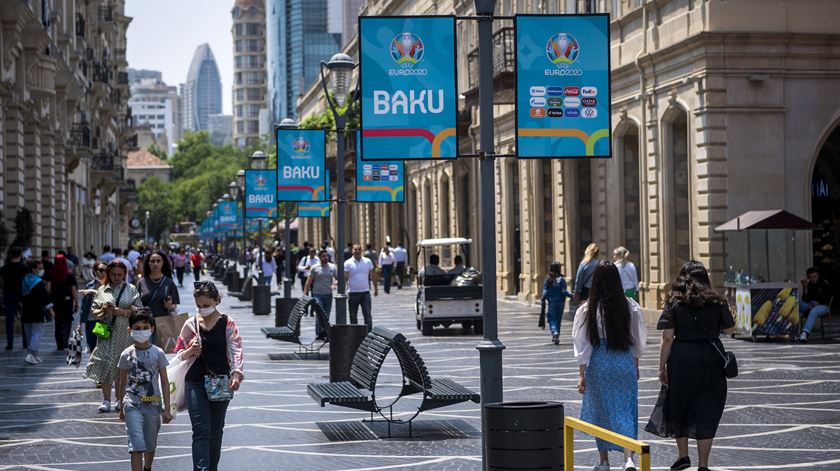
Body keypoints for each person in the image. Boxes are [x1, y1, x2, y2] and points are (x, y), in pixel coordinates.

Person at [657, 260, 736, 471]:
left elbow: (667, 338)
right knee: (708, 409)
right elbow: (730, 329)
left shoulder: (674, 301)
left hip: (682, 358)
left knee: (679, 406)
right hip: (711, 358)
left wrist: (661, 367)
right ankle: (703, 464)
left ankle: (683, 456)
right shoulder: (717, 301)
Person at [573, 261, 647, 471]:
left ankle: (604, 460)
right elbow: (638, 341)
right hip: (623, 359)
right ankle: (628, 459)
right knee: (625, 409)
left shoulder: (588, 309)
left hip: (599, 361)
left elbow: (583, 344)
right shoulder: (630, 305)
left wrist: (581, 374)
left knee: (601, 410)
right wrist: (636, 364)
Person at [174, 281, 244, 471]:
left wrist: (236, 374)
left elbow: (236, 348)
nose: (202, 309)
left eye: (206, 305)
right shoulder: (191, 323)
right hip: (194, 381)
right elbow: (178, 352)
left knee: (215, 431)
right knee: (200, 431)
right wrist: (190, 351)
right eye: (199, 306)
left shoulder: (227, 323)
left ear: (216, 301)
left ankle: (212, 468)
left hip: (221, 381)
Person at [117, 310, 172, 471]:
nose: (141, 331)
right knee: (136, 445)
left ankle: (147, 467)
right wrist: (121, 406)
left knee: (150, 444)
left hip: (153, 404)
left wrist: (167, 409)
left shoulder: (158, 353)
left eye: (145, 327)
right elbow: (121, 382)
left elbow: (165, 382)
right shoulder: (126, 354)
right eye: (137, 327)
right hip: (132, 404)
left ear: (152, 329)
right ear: (130, 330)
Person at [85, 260, 143, 413]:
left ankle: (119, 398)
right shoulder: (102, 289)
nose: (116, 277)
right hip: (106, 331)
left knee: (120, 365)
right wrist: (104, 310)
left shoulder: (130, 289)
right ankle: (105, 400)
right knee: (105, 362)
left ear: (124, 274)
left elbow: (140, 310)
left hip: (124, 332)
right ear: (108, 274)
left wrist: (123, 311)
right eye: (113, 274)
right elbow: (93, 311)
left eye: (119, 274)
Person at [21, 259, 55, 364]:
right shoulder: (38, 282)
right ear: (34, 269)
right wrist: (51, 310)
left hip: (26, 310)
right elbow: (44, 297)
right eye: (39, 269)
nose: (41, 271)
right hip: (37, 311)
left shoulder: (23, 280)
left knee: (28, 334)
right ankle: (31, 354)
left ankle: (34, 355)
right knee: (36, 333)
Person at [304, 250, 337, 340]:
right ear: (319, 257)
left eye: (326, 256)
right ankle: (320, 332)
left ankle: (325, 331)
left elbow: (337, 279)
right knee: (320, 313)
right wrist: (306, 292)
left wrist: (335, 284)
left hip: (328, 294)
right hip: (317, 294)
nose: (325, 258)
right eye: (323, 256)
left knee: (326, 314)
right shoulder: (315, 268)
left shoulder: (332, 267)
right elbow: (309, 281)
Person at [344, 244, 378, 330]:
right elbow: (345, 277)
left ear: (362, 250)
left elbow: (373, 275)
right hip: (352, 293)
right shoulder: (347, 263)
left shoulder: (367, 261)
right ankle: (354, 333)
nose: (357, 251)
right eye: (355, 250)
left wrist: (375, 288)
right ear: (352, 251)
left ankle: (369, 333)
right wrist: (343, 290)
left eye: (359, 249)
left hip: (365, 292)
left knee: (367, 314)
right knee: (353, 315)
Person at [137, 251, 180, 318]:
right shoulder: (141, 282)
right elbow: (135, 304)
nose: (155, 264)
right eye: (152, 261)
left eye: (158, 261)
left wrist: (170, 306)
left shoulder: (169, 283)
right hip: (145, 323)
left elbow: (175, 305)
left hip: (163, 323)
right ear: (148, 263)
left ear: (163, 263)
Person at [50, 254, 79, 351]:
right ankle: (65, 340)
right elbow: (73, 290)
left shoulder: (52, 275)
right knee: (67, 321)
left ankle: (59, 344)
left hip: (56, 302)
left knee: (57, 322)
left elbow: (48, 289)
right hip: (67, 302)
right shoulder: (69, 276)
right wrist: (76, 302)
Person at [2, 247, 29, 350]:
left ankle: (10, 344)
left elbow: (1, 282)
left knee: (9, 320)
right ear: (20, 255)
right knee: (24, 319)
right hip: (22, 295)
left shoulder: (5, 267)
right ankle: (25, 342)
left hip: (8, 295)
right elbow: (27, 282)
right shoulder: (24, 268)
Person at [79, 261, 109, 353]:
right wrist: (79, 324)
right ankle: (94, 367)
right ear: (95, 272)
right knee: (92, 348)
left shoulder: (111, 286)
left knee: (103, 348)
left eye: (106, 270)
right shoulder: (89, 285)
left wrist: (93, 291)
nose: (103, 272)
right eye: (100, 270)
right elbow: (84, 307)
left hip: (104, 321)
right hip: (91, 321)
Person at [541, 261, 573, 345]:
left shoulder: (548, 279)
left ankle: (555, 332)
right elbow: (564, 291)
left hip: (552, 302)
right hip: (561, 303)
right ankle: (556, 337)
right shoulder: (561, 279)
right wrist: (571, 296)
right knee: (558, 320)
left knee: (552, 319)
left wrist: (542, 300)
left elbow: (545, 291)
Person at [798, 267, 831, 342]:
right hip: (810, 305)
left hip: (823, 306)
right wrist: (805, 287)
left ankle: (805, 333)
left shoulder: (823, 283)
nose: (813, 279)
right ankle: (788, 330)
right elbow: (805, 300)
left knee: (814, 310)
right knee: (796, 302)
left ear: (818, 275)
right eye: (810, 277)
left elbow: (827, 298)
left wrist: (815, 303)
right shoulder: (808, 284)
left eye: (814, 276)